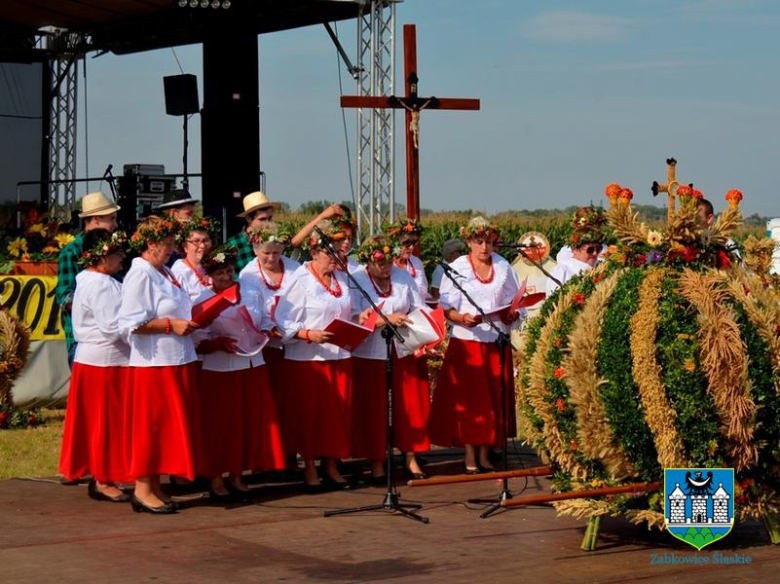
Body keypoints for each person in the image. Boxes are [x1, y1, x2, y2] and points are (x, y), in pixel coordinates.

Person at [118, 215, 201, 514]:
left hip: (175, 358)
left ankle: (154, 484)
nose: (171, 249)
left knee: (164, 426)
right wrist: (171, 325)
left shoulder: (163, 271)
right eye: (166, 244)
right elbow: (129, 323)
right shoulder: (140, 273)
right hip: (153, 364)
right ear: (150, 244)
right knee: (150, 427)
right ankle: (142, 488)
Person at [428, 216, 522, 474]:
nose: (484, 247)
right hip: (468, 343)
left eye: (489, 242)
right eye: (479, 241)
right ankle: (470, 453)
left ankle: (485, 452)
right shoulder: (458, 267)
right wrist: (462, 318)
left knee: (493, 397)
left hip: (495, 341)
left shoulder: (503, 266)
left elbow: (515, 301)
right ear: (469, 241)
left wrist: (512, 314)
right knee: (470, 401)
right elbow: (446, 308)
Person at [194, 247, 285, 499]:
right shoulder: (203, 299)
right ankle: (215, 476)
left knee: (248, 422)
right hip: (221, 368)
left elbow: (263, 318)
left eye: (229, 270)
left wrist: (269, 329)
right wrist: (216, 344)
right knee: (221, 426)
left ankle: (237, 474)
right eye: (220, 272)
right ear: (209, 275)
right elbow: (197, 339)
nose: (226, 276)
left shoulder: (248, 290)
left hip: (252, 363)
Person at [274, 220, 355, 492]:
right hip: (308, 361)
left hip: (339, 356)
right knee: (310, 416)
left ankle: (331, 464)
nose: (336, 257)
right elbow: (282, 320)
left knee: (336, 414)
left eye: (337, 252)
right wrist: (308, 334)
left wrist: (360, 317)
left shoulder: (342, 278)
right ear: (315, 252)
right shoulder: (301, 280)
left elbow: (345, 312)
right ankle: (309, 466)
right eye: (330, 252)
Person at [351, 236, 431, 482]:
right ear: (368, 261)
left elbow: (419, 307)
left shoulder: (402, 276)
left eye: (388, 262)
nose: (386, 268)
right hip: (369, 351)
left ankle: (410, 456)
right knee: (374, 407)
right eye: (380, 264)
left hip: (404, 346)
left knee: (410, 404)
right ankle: (376, 460)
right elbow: (354, 317)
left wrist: (426, 335)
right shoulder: (356, 279)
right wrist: (385, 320)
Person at [59, 229, 131, 502]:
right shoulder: (99, 284)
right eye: (117, 252)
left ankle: (104, 475)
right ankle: (102, 477)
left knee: (105, 422)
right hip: (104, 362)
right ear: (102, 255)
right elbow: (112, 328)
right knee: (104, 423)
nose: (122, 257)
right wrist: (144, 329)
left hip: (102, 361)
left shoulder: (98, 280)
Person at [238, 222, 299, 464]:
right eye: (266, 253)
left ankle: (290, 453)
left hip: (294, 343)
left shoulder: (295, 269)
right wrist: (266, 329)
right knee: (268, 405)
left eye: (276, 252)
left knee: (291, 403)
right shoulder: (248, 275)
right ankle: (266, 459)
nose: (272, 258)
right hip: (265, 347)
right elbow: (250, 309)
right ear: (255, 249)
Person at [57, 191, 120, 367]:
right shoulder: (72, 251)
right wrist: (94, 301)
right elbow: (64, 296)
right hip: (84, 342)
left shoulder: (116, 249)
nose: (115, 224)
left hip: (114, 341)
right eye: (111, 218)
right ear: (95, 219)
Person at [546, 206, 607, 295]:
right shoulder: (564, 267)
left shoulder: (603, 248)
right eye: (590, 250)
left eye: (598, 249)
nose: (595, 253)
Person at [226, 191, 280, 271]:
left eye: (270, 218)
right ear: (248, 219)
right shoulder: (234, 244)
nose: (268, 223)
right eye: (262, 219)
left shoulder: (275, 240)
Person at [171, 216, 219, 301]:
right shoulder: (179, 274)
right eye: (196, 241)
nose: (202, 246)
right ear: (185, 246)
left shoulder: (215, 266)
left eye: (206, 240)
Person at [389, 218, 429, 301]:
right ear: (395, 242)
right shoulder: (386, 265)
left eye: (414, 243)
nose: (411, 247)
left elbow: (424, 291)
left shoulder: (416, 263)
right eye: (407, 243)